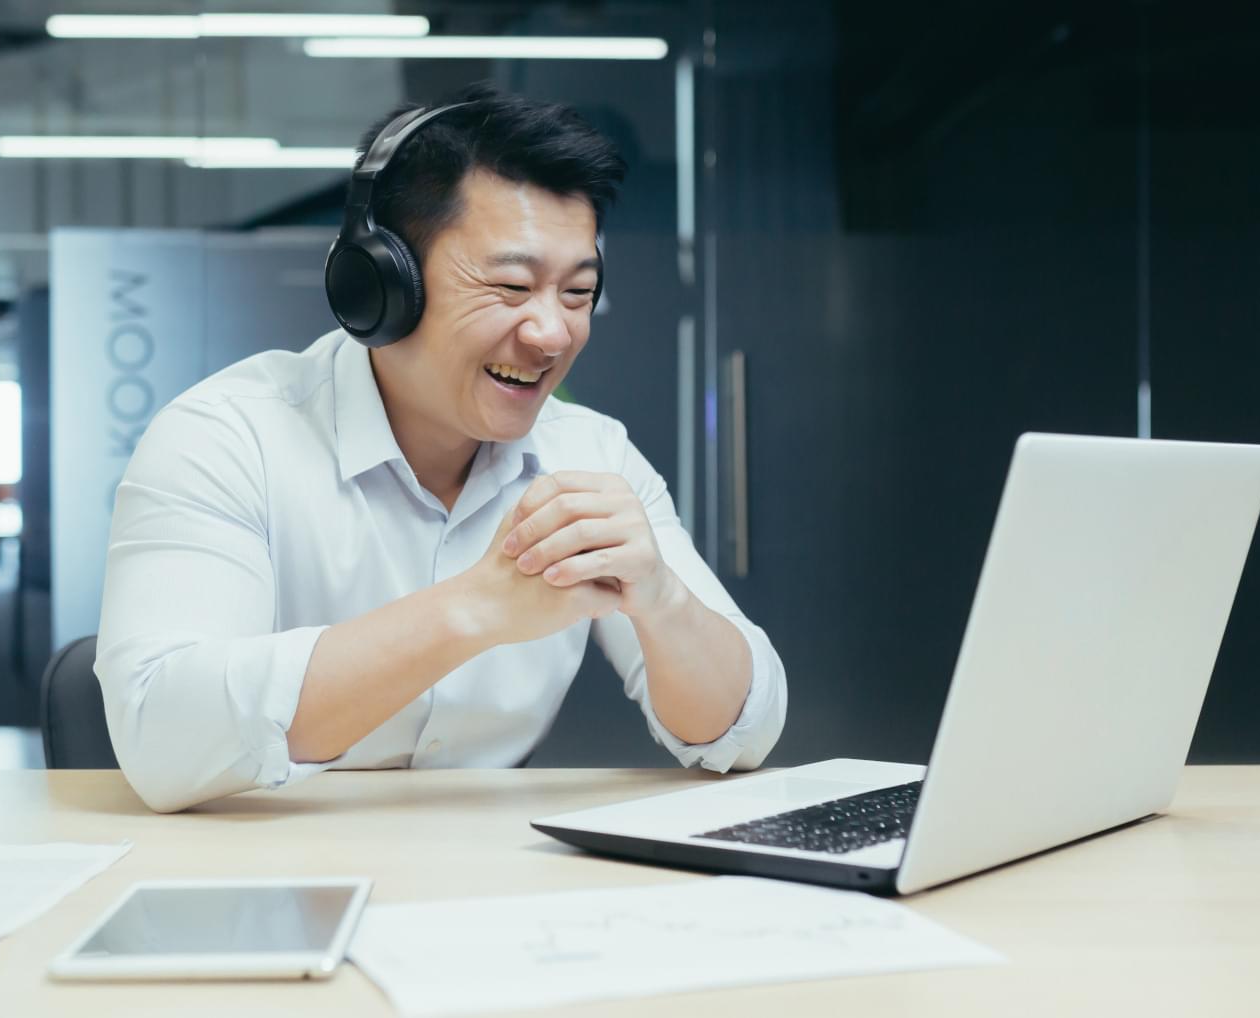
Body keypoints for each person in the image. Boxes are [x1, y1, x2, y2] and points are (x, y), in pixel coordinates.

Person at [94, 83, 787, 811]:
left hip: (489, 881)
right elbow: (158, 739)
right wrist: (472, 611)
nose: (552, 334)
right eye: (511, 285)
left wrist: (665, 602)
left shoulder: (592, 455)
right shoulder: (227, 437)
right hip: (264, 886)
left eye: (578, 294)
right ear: (382, 283)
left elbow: (745, 732)